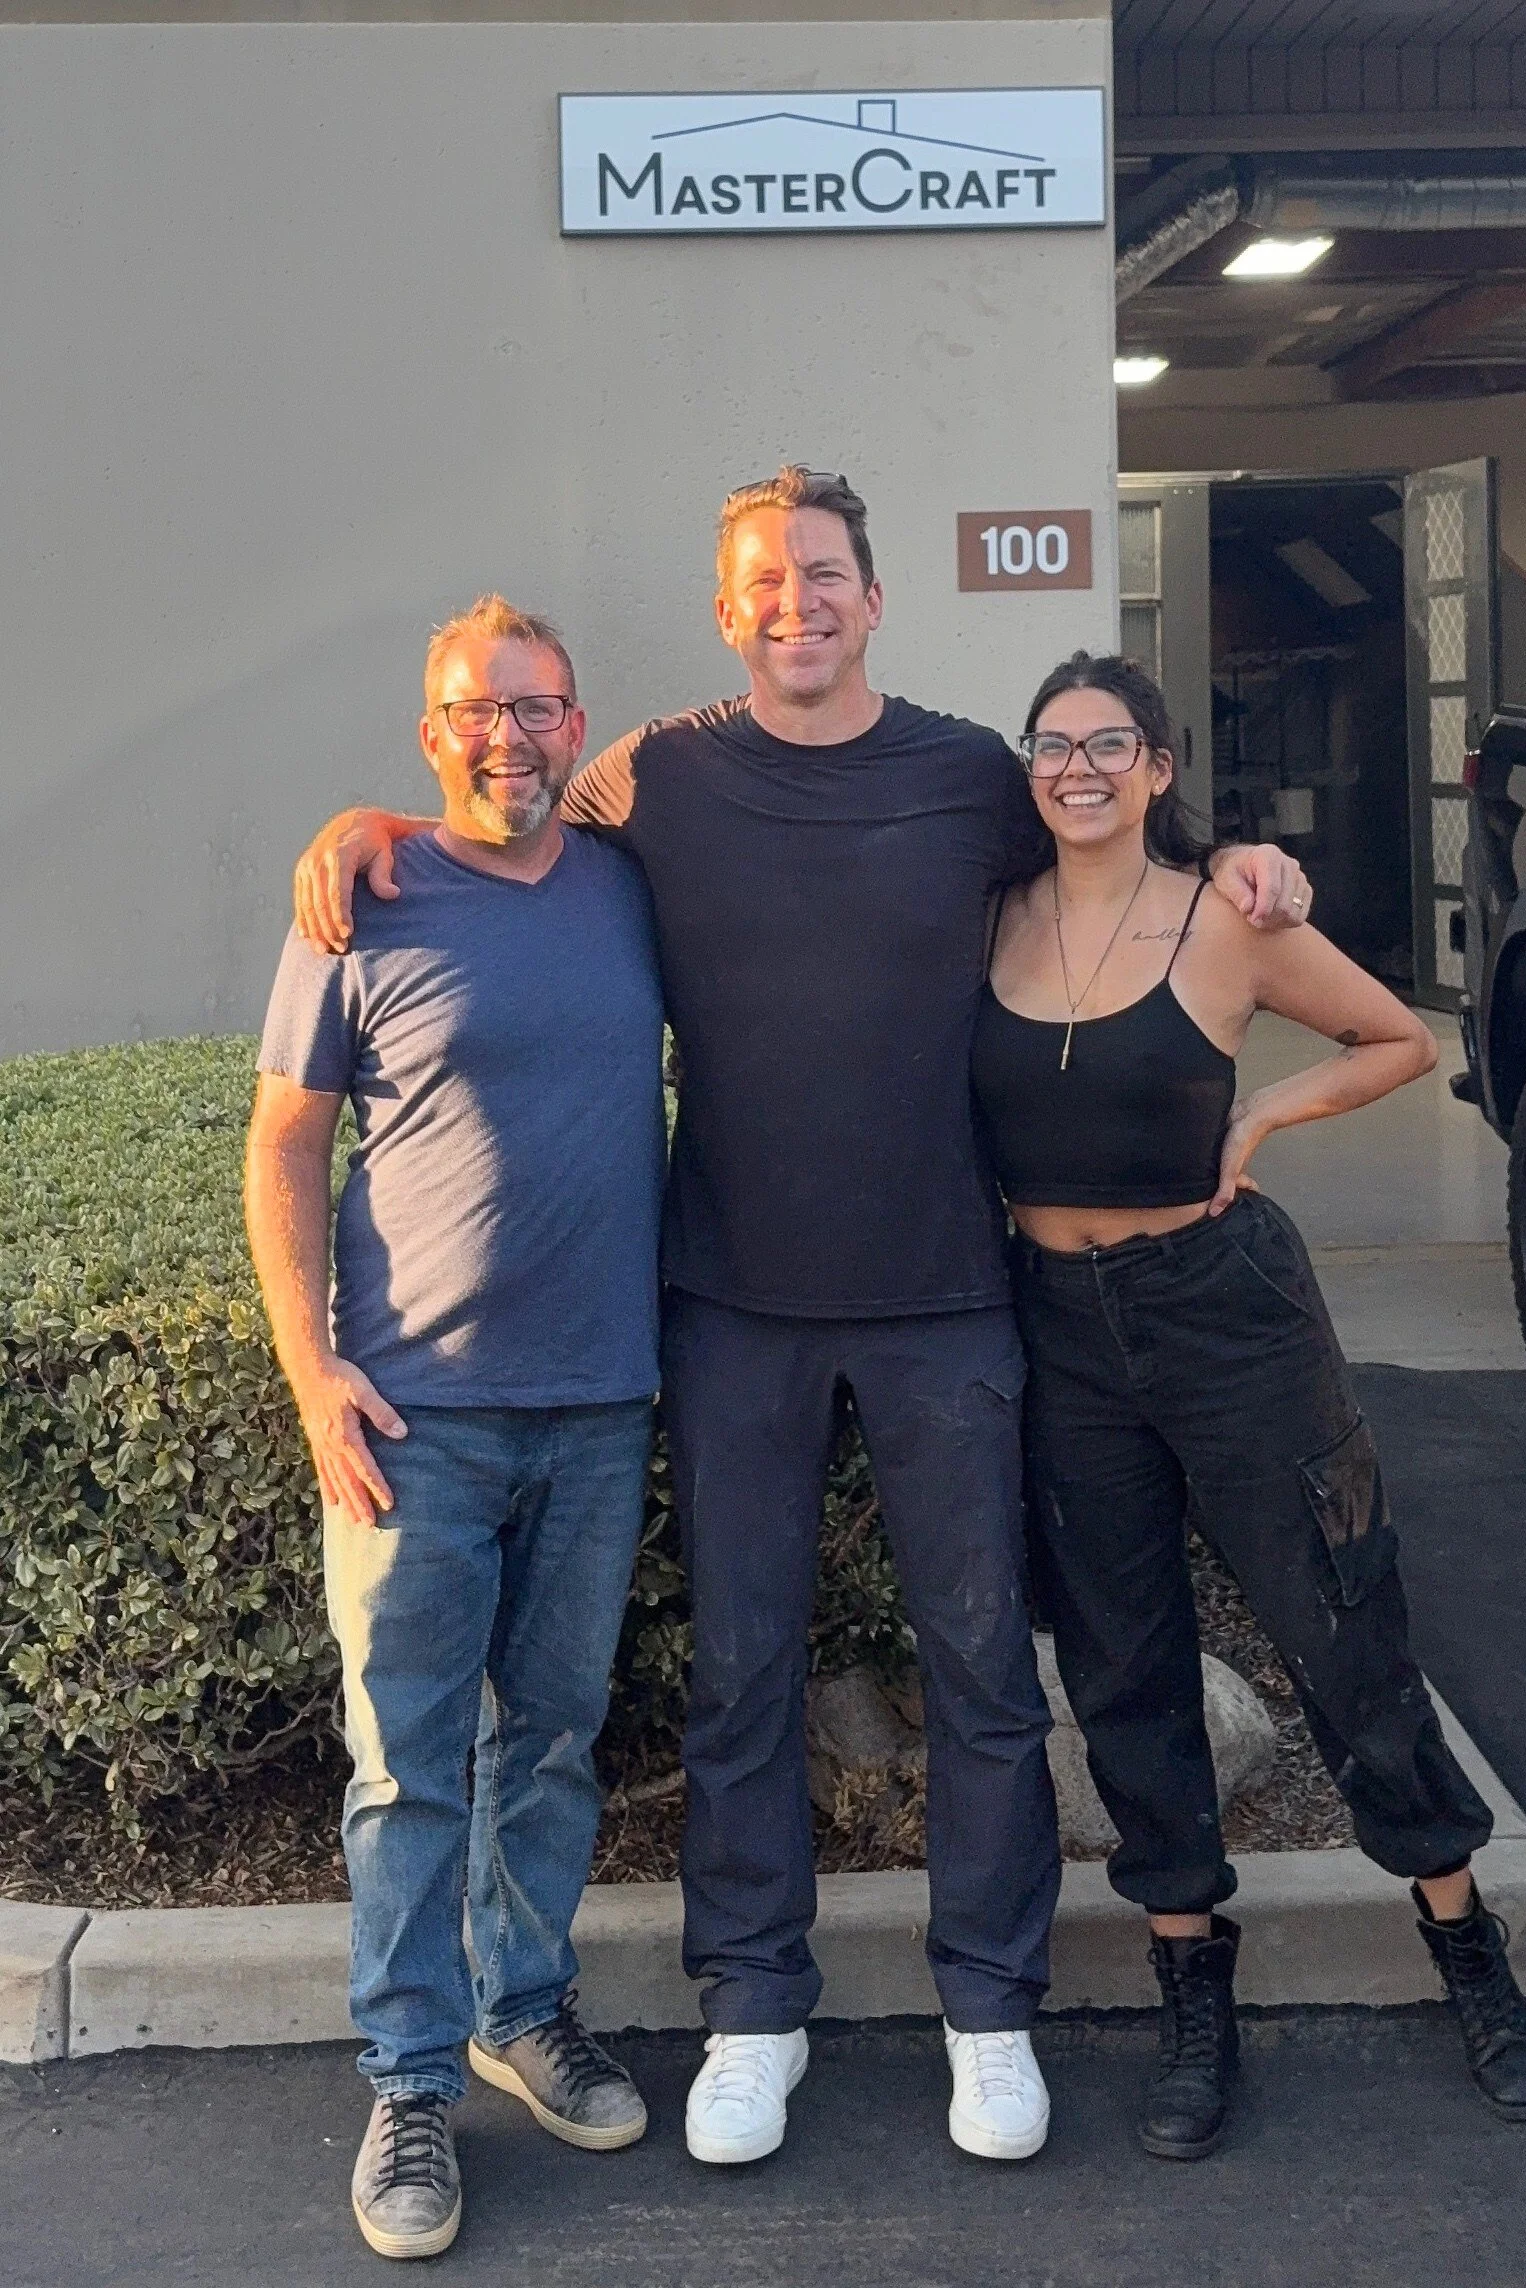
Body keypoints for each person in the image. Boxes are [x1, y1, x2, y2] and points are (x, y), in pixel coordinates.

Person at [290, 469, 1312, 2169]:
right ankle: (754, 2012)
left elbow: (1104, 844)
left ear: (871, 597)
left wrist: (1247, 858)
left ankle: (991, 2009)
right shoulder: (661, 777)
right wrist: (374, 830)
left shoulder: (969, 777)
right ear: (727, 612)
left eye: (822, 576)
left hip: (944, 1301)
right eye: (764, 583)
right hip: (732, 1310)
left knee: (985, 1670)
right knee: (743, 1679)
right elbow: (508, 811)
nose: (795, 605)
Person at [971, 648, 1526, 2162]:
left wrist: (1267, 1109)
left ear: (1162, 768)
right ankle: (1192, 1987)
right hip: (1058, 1331)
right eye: (1054, 744)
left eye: (1114, 744)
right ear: (1027, 766)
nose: (1080, 768)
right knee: (1122, 1662)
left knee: (1341, 1621)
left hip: (1224, 1316)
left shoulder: (1229, 919)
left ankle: (1464, 1944)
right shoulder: (986, 915)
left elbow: (1400, 1038)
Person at [247, 597, 667, 2260]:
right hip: (415, 1419)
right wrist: (311, 1371)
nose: (513, 734)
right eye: (478, 710)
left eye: (541, 706)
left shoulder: (631, 882)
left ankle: (524, 2008)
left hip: (601, 1401)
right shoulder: (365, 893)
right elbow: (285, 1148)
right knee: (407, 1770)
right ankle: (411, 2079)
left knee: (551, 1742)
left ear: (580, 726)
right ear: (433, 733)